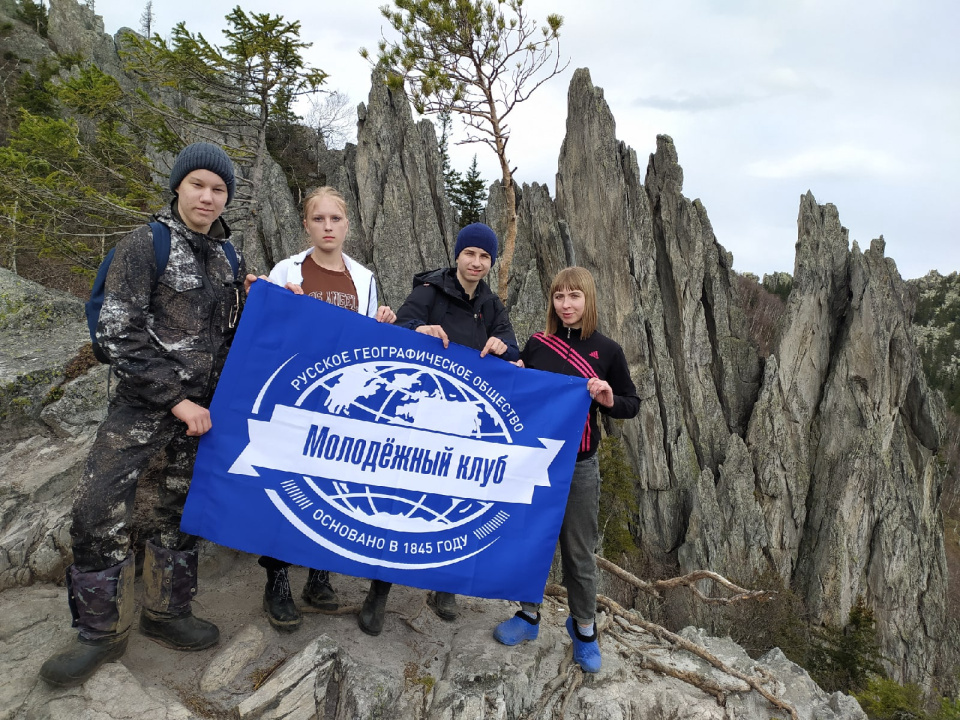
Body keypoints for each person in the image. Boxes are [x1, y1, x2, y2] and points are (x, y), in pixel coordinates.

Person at [40, 142, 250, 688]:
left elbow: (236, 336)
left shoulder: (230, 258)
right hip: (143, 406)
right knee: (98, 507)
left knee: (178, 513)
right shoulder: (143, 245)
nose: (208, 197)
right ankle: (98, 634)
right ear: (178, 186)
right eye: (199, 184)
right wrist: (175, 398)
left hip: (202, 415)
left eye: (219, 189)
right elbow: (116, 333)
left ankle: (166, 612)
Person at [356, 222, 520, 636]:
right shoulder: (429, 291)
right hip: (421, 418)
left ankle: (445, 586)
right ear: (458, 254)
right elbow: (400, 329)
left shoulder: (493, 306)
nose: (477, 263)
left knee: (458, 504)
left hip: (465, 425)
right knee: (400, 501)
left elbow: (513, 351)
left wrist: (505, 349)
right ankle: (379, 590)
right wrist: (419, 329)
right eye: (471, 254)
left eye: (485, 256)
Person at [255, 186, 395, 632]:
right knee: (284, 486)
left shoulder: (365, 279)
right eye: (319, 219)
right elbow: (266, 332)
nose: (328, 227)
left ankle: (319, 575)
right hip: (294, 397)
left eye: (336, 219)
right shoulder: (287, 270)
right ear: (306, 225)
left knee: (327, 489)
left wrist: (384, 325)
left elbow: (367, 345)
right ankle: (277, 579)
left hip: (341, 402)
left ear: (348, 225)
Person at [492, 266, 639, 673]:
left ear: (588, 299)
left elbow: (631, 403)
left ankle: (585, 629)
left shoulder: (607, 351)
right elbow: (518, 392)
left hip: (579, 465)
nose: (566, 304)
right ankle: (528, 615)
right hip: (535, 461)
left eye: (574, 296)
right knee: (532, 540)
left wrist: (608, 399)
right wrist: (511, 366)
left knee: (578, 551)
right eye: (559, 297)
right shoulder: (539, 345)